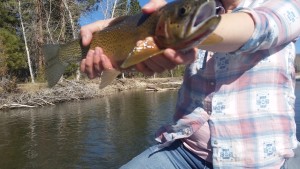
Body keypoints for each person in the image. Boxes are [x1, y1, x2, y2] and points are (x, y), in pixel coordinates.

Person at [80, 0, 300, 168]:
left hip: (262, 161)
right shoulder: (200, 8)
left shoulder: (285, 5)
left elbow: (257, 28)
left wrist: (170, 27)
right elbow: (144, 41)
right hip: (183, 153)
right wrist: (120, 33)